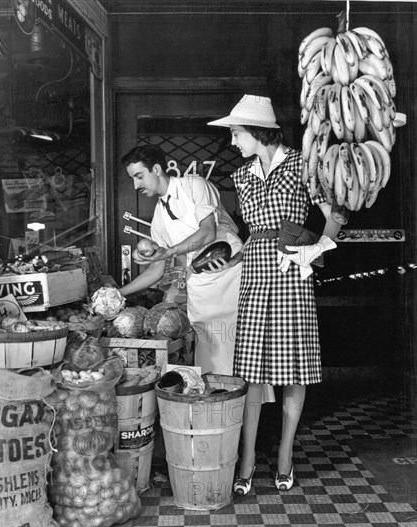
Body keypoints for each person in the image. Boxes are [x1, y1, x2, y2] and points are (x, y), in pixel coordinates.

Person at [208, 95, 342, 494]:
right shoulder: (243, 174)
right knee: (251, 371)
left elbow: (336, 212)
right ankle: (246, 459)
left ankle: (285, 455)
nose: (233, 141)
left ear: (256, 131)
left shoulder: (303, 165)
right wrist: (231, 262)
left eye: (236, 133)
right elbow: (251, 234)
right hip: (255, 272)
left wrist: (316, 248)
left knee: (293, 367)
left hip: (292, 273)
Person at [119, 144, 243, 375]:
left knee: (240, 350)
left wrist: (169, 252)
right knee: (210, 356)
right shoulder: (159, 217)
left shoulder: (194, 186)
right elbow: (156, 270)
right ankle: (218, 406)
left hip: (230, 273)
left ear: (156, 169)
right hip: (201, 286)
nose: (136, 185)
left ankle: (247, 409)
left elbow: (207, 232)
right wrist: (120, 293)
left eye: (139, 176)